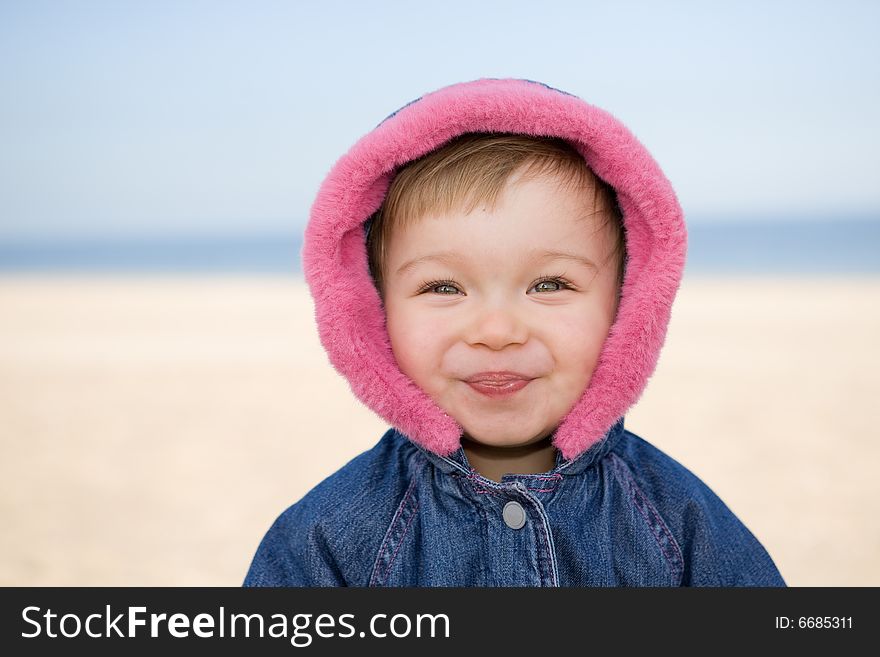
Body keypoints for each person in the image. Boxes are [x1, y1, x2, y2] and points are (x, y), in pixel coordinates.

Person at [242, 78, 786, 586]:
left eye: (549, 284)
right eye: (443, 288)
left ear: (628, 303)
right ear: (372, 310)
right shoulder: (326, 540)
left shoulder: (676, 522)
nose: (496, 331)